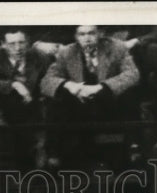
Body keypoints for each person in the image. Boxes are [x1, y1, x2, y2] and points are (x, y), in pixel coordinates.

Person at [40, 25, 140, 169]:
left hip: (108, 103)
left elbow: (133, 74)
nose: (87, 38)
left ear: (100, 34)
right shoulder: (67, 52)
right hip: (79, 105)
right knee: (56, 98)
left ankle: (133, 147)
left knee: (129, 94)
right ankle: (53, 154)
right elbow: (46, 81)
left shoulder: (117, 47)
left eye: (91, 33)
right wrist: (71, 86)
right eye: (82, 34)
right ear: (76, 37)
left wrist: (101, 87)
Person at [0, 28, 51, 168]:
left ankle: (41, 166)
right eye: (12, 43)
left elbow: (50, 80)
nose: (18, 48)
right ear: (3, 44)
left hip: (32, 106)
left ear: (28, 43)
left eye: (21, 43)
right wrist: (13, 85)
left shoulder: (39, 57)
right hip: (3, 107)